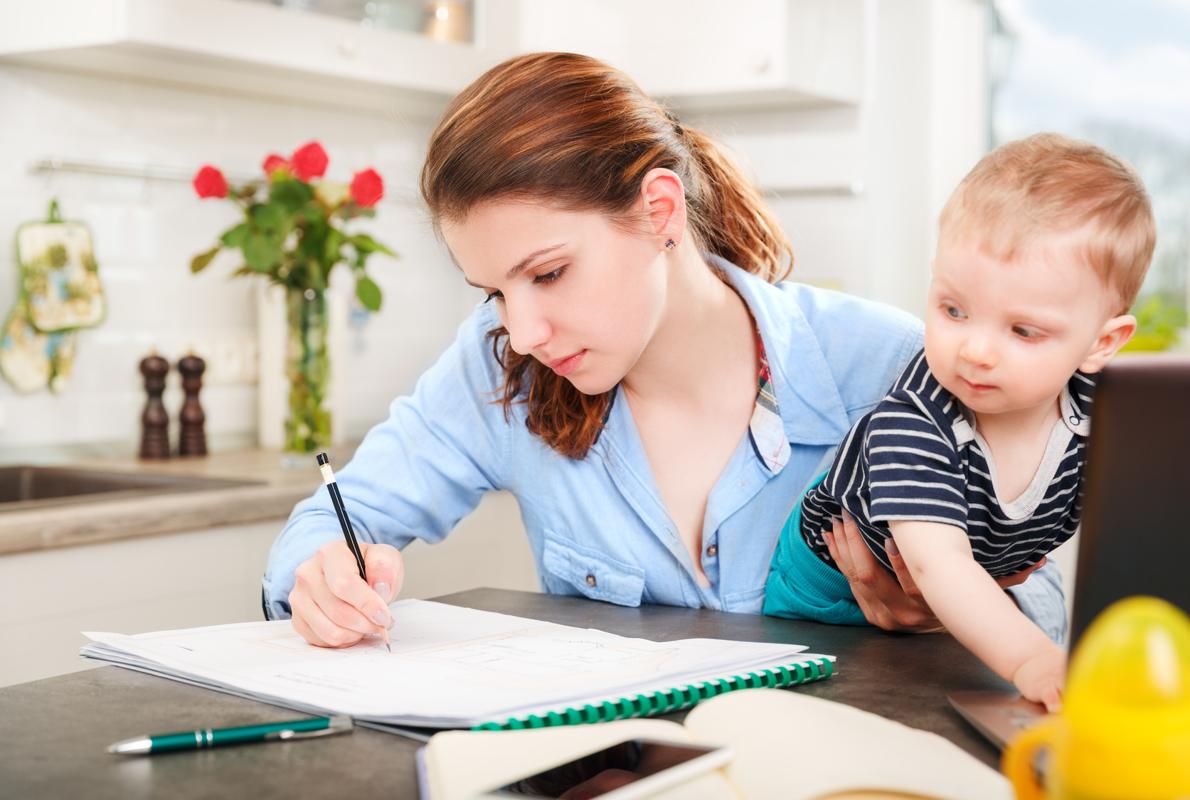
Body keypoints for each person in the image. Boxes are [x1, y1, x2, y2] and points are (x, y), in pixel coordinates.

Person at [261, 52, 1066, 649]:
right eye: (495, 292)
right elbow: (333, 521)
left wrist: (948, 616)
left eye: (548, 272)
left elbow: (1066, 606)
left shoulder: (895, 370)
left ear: (659, 209)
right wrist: (320, 575)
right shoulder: (498, 361)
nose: (526, 330)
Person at [763, 133, 1155, 710]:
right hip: (832, 589)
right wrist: (1033, 659)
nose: (975, 350)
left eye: (1022, 330)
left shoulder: (1104, 413)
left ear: (1102, 343)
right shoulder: (914, 422)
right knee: (856, 699)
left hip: (962, 588)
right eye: (953, 309)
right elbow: (938, 565)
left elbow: (1144, 527)